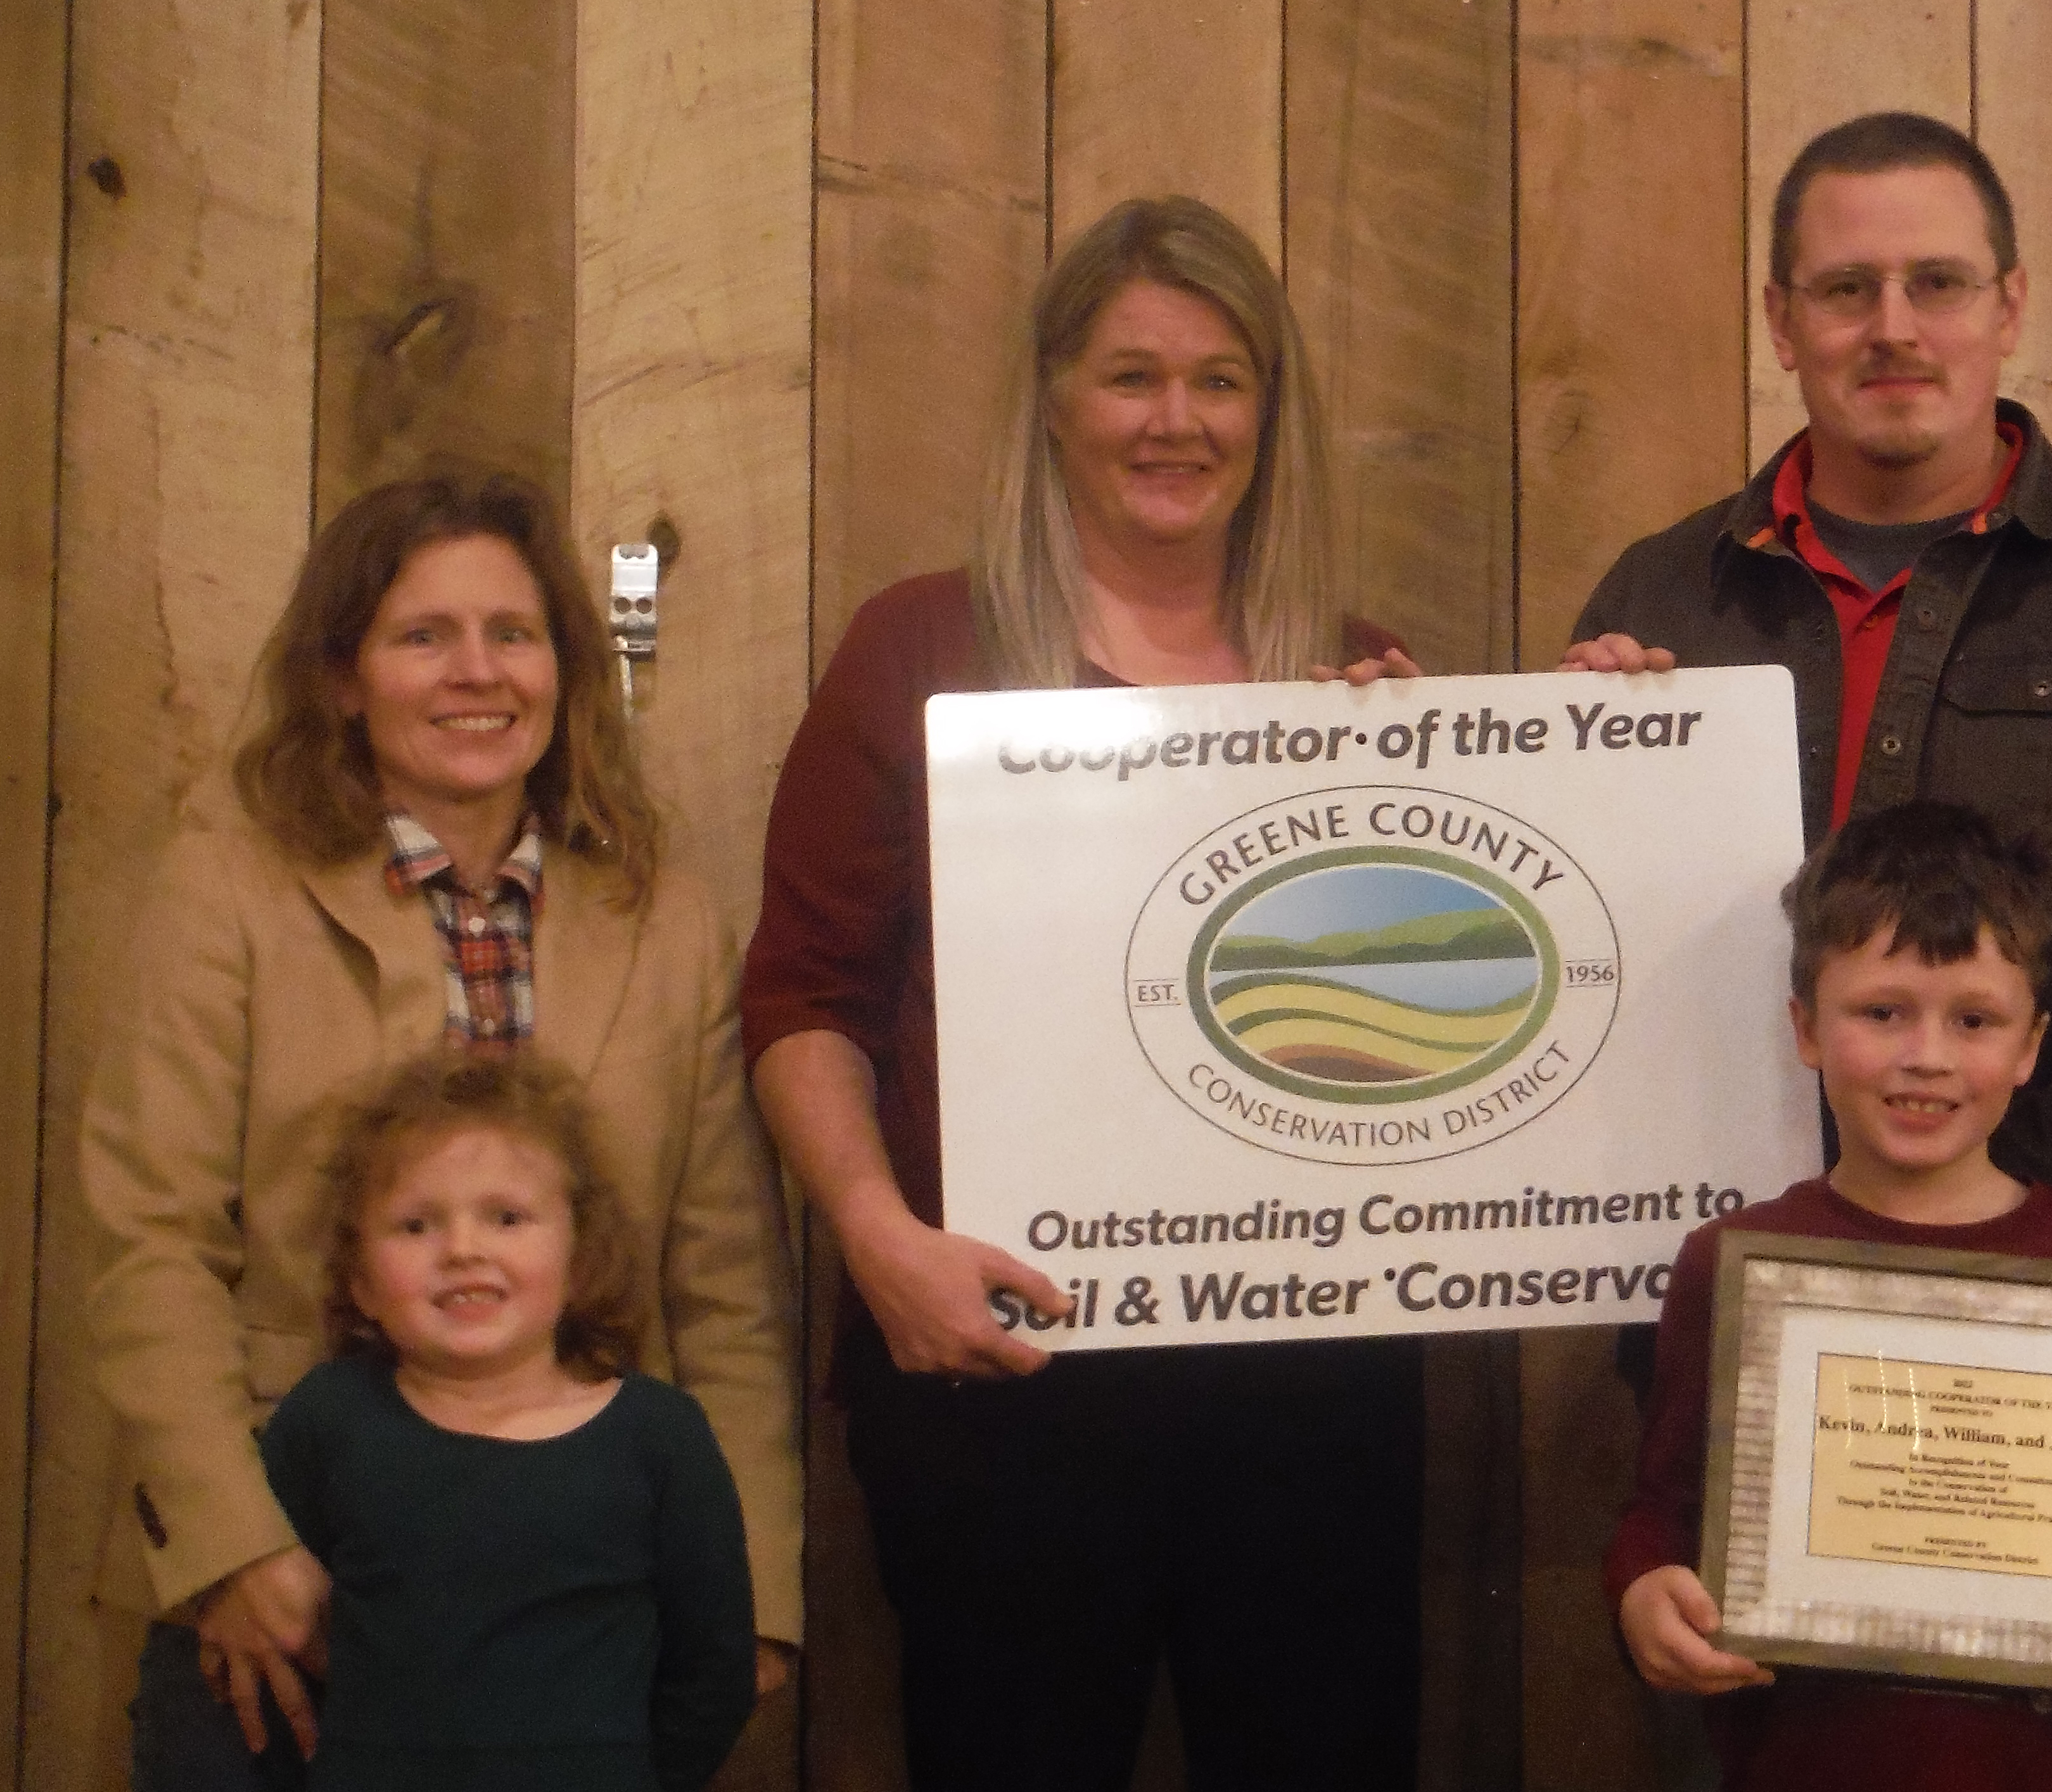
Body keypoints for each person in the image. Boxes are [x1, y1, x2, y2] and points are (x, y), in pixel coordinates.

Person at [1564, 113, 2052, 1557]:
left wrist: (1985, 1193)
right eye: (1843, 289)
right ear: (1778, 321)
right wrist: (1553, 781)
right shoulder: (1662, 594)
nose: (1891, 328)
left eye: (1934, 283)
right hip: (1745, 1350)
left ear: (2006, 306)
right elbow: (1586, 980)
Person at [742, 195, 1421, 1791]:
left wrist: (1525, 754)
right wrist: (873, 1237)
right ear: (1050, 401)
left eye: (1217, 378)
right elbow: (801, 998)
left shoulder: (1356, 672)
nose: (1173, 421)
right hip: (1003, 1377)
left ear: (1268, 409)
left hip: (1307, 1384)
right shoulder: (922, 646)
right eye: (1129, 377)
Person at [81, 472, 802, 1789]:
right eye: (423, 635)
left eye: (512, 634)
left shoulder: (664, 911)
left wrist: (747, 1591)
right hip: (296, 1574)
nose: (477, 672)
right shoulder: (227, 879)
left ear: (564, 667)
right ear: (344, 677)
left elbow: (726, 1286)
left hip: (582, 1592)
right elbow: (151, 1235)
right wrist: (232, 1545)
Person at [1607, 800, 2052, 1792]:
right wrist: (1640, 1597)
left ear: (2029, 1046)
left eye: (1974, 1019)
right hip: (1815, 1762)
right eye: (1883, 1012)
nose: (1926, 1056)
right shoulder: (1737, 1260)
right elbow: (1665, 1511)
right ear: (1805, 1028)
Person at [261, 1049, 755, 1791]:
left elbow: (712, 1669)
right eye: (417, 1225)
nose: (463, 1249)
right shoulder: (327, 1421)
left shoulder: (660, 1438)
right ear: (361, 1281)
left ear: (580, 1258)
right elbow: (283, 1648)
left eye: (506, 1216)